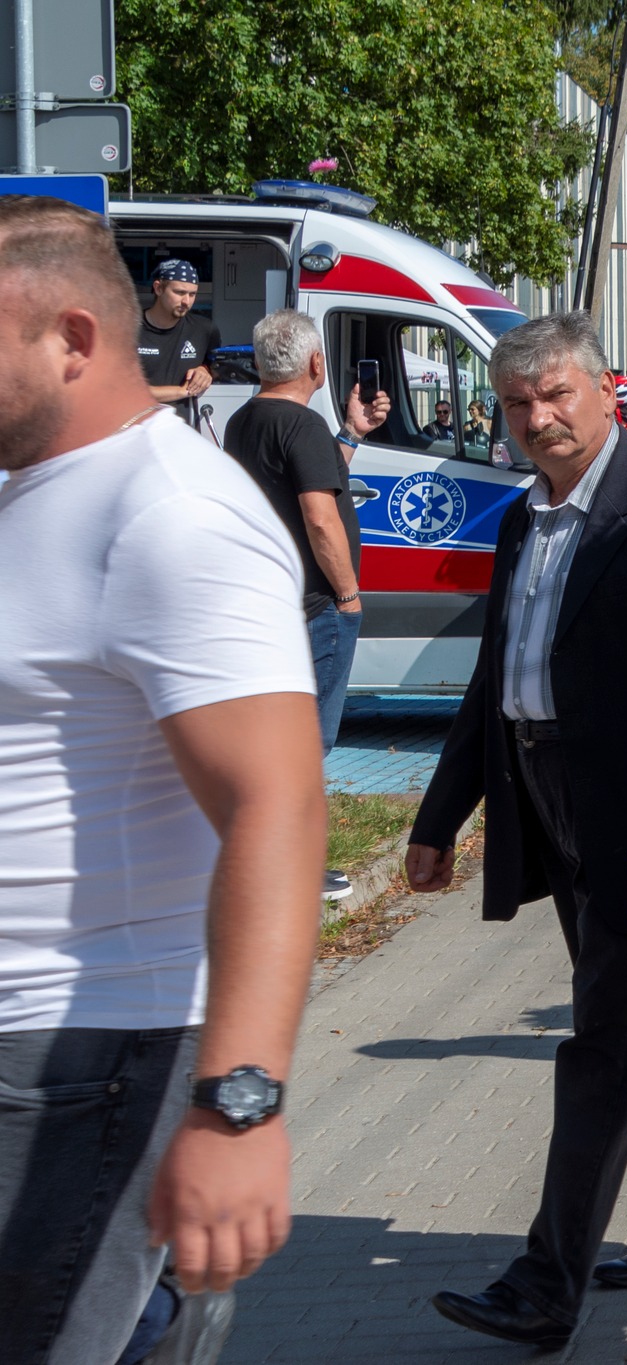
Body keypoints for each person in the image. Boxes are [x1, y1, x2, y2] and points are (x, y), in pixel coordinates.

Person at [0, 196, 325, 1365]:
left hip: (82, 1052)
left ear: (73, 339)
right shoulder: (36, 489)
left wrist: (239, 1108)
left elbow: (278, 805)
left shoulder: (172, 514)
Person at [405, 312, 627, 1349]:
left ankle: (545, 1281)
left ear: (608, 392)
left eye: (557, 394)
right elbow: (494, 679)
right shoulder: (525, 517)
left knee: (608, 1039)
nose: (538, 418)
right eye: (517, 403)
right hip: (547, 797)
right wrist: (439, 818)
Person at [222, 308, 391, 902]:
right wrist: (347, 595)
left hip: (269, 604)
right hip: (316, 606)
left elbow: (309, 483)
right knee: (307, 742)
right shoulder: (301, 424)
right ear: (316, 363)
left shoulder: (246, 420)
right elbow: (321, 519)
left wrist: (351, 434)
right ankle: (292, 869)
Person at [136, 258, 220, 421]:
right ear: (158, 288)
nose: (186, 301)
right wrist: (182, 391)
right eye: (179, 293)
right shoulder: (128, 330)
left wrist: (205, 370)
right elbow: (120, 391)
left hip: (183, 428)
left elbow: (218, 368)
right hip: (136, 428)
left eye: (192, 294)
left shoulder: (204, 330)